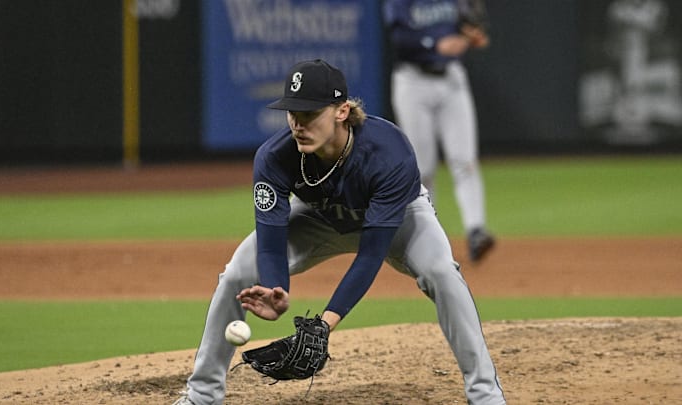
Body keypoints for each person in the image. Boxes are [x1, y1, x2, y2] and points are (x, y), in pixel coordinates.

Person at [174, 59, 506, 405]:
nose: (298, 125)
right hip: (319, 218)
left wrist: (324, 324)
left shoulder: (388, 152)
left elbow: (371, 254)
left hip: (398, 218)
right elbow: (270, 243)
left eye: (309, 114)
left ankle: (485, 394)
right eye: (292, 113)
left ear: (341, 111)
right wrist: (276, 288)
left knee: (442, 272)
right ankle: (202, 394)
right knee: (236, 274)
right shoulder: (273, 157)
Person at [383, 0, 496, 262]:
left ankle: (476, 230)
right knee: (423, 168)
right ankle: (426, 238)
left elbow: (468, 20)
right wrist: (433, 45)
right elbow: (399, 38)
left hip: (451, 78)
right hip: (413, 82)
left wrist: (471, 34)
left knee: (464, 160)